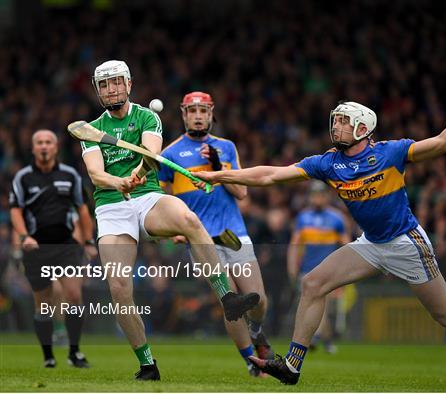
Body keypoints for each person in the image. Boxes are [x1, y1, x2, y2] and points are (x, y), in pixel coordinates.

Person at [192, 74, 446, 384]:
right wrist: (220, 175)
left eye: (344, 122)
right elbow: (269, 175)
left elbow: (445, 142)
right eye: (336, 121)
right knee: (313, 283)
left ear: (362, 128)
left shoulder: (392, 153)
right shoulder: (329, 162)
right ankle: (293, 366)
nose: (336, 127)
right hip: (371, 244)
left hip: (406, 243)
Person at [80, 60, 259, 380]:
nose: (112, 89)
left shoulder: (147, 116)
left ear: (129, 84)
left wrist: (135, 175)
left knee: (189, 219)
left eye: (117, 83)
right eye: (105, 85)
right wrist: (117, 182)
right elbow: (96, 174)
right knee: (119, 288)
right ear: (98, 90)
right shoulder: (91, 129)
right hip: (111, 206)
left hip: (147, 197)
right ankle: (147, 363)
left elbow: (150, 156)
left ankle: (227, 298)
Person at [158, 91, 274, 377]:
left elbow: (242, 192)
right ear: (184, 114)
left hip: (233, 234)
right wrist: (173, 230)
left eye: (203, 111)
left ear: (211, 114)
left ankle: (256, 330)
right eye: (192, 111)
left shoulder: (226, 148)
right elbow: (159, 200)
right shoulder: (169, 154)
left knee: (258, 300)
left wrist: (217, 169)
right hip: (200, 240)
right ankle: (251, 360)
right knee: (230, 301)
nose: (198, 116)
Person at [9, 129, 98, 368]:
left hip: (66, 246)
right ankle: (48, 355)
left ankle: (75, 352)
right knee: (44, 303)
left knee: (73, 295)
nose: (44, 146)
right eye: (39, 142)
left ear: (56, 147)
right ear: (33, 148)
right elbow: (15, 210)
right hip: (36, 247)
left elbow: (82, 210)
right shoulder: (23, 178)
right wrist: (24, 236)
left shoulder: (70, 175)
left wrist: (88, 242)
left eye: (49, 142)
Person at [287, 181, 349, 353]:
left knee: (322, 304)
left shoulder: (337, 218)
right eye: (314, 195)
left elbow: (347, 246)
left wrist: (345, 271)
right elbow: (295, 243)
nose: (318, 198)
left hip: (328, 270)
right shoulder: (303, 218)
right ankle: (326, 340)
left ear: (327, 196)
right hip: (307, 270)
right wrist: (292, 266)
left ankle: (314, 337)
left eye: (321, 195)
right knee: (317, 306)